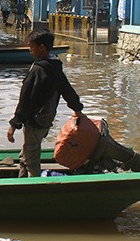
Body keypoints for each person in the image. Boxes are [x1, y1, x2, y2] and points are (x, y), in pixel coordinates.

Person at [7, 30, 83, 177]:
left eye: (31, 46)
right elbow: (68, 91)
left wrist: (14, 124)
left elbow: (25, 100)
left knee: (32, 159)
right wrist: (78, 109)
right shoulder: (55, 67)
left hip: (35, 121)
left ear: (41, 48)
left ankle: (33, 188)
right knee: (28, 151)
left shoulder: (38, 70)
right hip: (46, 119)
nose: (30, 50)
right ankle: (21, 180)